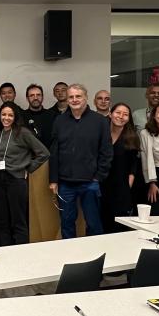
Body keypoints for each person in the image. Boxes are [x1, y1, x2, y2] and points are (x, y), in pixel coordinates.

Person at [49, 84, 112, 238]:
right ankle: (70, 255)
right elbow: (54, 151)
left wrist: (99, 176)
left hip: (90, 182)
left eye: (78, 96)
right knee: (67, 222)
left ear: (86, 98)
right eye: (71, 96)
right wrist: (53, 179)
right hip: (65, 183)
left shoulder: (100, 121)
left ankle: (94, 255)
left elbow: (106, 151)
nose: (74, 99)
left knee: (93, 223)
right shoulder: (59, 121)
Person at [0, 102, 49, 245]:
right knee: (2, 221)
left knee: (18, 221)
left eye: (10, 115)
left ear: (15, 117)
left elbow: (44, 153)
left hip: (16, 180)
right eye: (4, 114)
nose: (6, 118)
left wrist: (28, 168)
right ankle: (5, 252)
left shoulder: (22, 132)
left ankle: (20, 256)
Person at [100, 103, 139, 233]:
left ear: (129, 118)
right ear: (110, 114)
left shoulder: (132, 137)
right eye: (118, 113)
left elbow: (133, 164)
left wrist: (129, 184)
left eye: (125, 114)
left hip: (121, 187)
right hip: (101, 184)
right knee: (100, 223)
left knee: (118, 226)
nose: (121, 116)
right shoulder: (101, 133)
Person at [21, 83, 57, 148]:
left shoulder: (52, 115)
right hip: (27, 157)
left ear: (42, 97)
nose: (35, 98)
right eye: (32, 95)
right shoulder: (21, 116)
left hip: (49, 156)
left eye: (38, 95)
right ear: (27, 98)